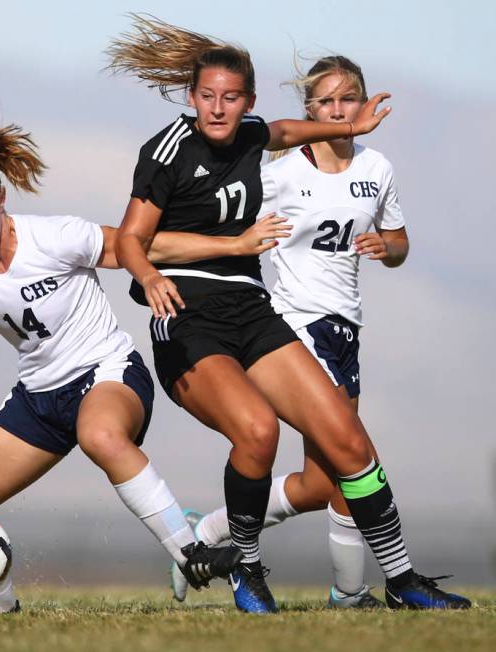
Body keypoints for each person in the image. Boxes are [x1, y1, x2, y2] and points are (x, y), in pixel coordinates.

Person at [108, 15, 470, 612]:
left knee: (351, 445)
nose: (218, 109)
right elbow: (131, 242)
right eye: (206, 97)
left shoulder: (256, 134)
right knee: (258, 430)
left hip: (252, 311)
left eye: (230, 97)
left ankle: (403, 581)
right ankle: (245, 568)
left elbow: (282, 129)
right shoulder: (168, 150)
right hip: (188, 317)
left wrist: (352, 124)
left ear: (246, 100)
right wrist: (158, 274)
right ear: (191, 97)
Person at [0, 101, 242, 614]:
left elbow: (138, 246)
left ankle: (190, 551)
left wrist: (228, 248)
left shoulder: (54, 236)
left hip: (107, 374)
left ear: (2, 199)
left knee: (100, 435)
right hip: (40, 397)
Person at [162, 55, 412, 609]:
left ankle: (206, 534)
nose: (337, 110)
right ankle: (353, 593)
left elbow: (398, 242)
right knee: (356, 450)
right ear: (310, 110)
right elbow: (217, 220)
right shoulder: (276, 175)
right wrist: (227, 248)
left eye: (347, 99)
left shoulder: (378, 169)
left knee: (322, 483)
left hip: (347, 327)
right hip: (296, 324)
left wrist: (385, 248)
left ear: (364, 102)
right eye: (325, 101)